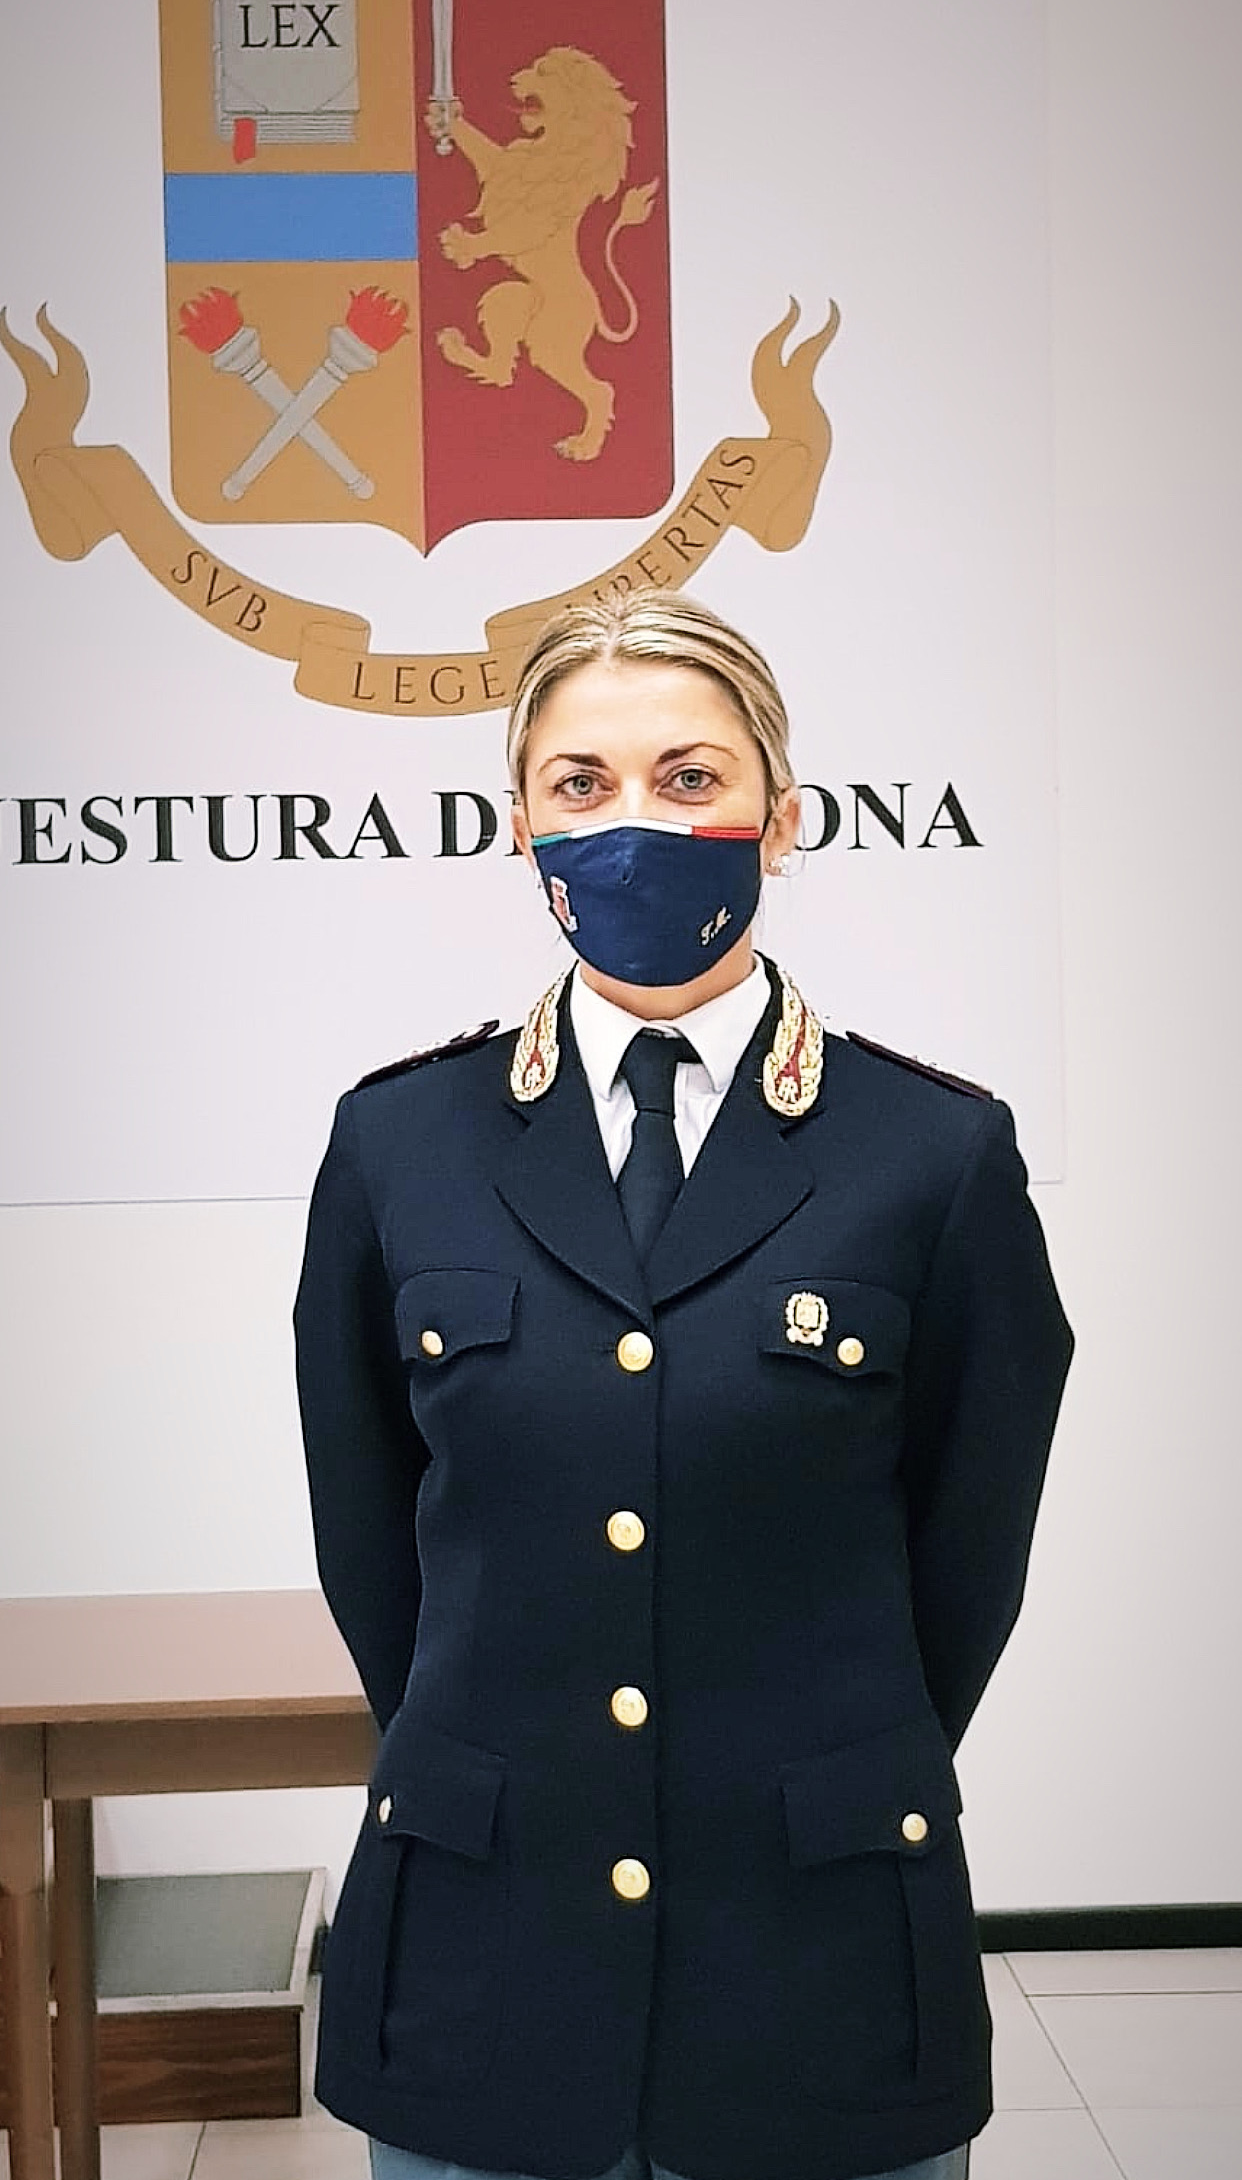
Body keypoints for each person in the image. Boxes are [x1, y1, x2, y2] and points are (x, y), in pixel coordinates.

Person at [293, 586, 1074, 2180]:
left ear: (781, 820)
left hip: (812, 1943)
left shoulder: (932, 1156)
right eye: (580, 783)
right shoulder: (398, 1143)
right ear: (519, 823)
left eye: (691, 777)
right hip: (486, 1935)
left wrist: (825, 1757)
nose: (633, 823)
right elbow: (371, 1538)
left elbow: (966, 1552)